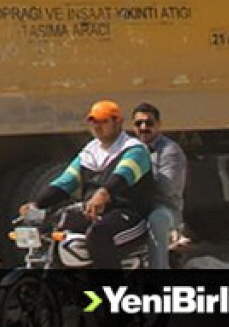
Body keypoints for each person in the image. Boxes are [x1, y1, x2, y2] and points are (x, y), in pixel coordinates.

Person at [20, 100, 155, 269]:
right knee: (57, 228)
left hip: (128, 214)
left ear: (118, 122)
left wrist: (103, 193)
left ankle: (109, 291)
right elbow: (66, 182)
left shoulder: (134, 150)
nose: (97, 127)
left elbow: (122, 175)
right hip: (94, 213)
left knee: (98, 235)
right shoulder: (90, 152)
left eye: (104, 121)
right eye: (94, 122)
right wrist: (37, 203)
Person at [132, 102, 187, 269]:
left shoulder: (170, 150)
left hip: (164, 208)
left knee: (157, 220)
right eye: (138, 123)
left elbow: (167, 188)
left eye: (149, 123)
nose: (143, 127)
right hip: (135, 206)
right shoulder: (131, 148)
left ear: (159, 125)